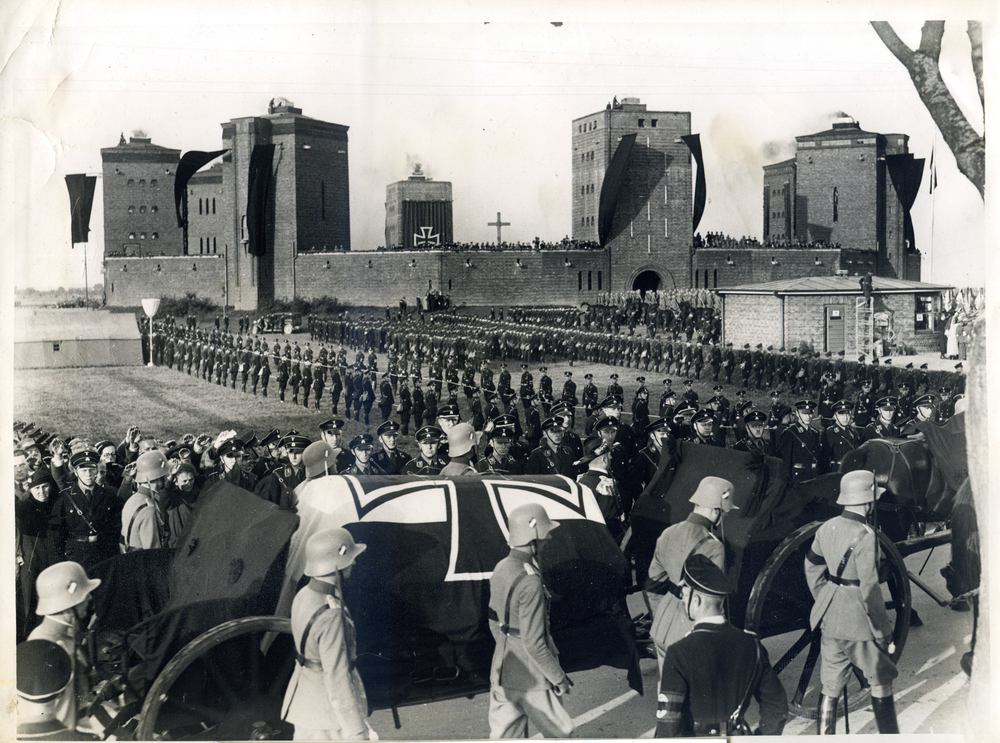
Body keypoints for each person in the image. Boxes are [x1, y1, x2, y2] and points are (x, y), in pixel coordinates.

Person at [804, 470, 899, 734]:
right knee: (881, 679)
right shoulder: (866, 535)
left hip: (830, 618)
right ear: (867, 502)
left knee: (831, 685)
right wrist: (883, 632)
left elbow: (811, 565)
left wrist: (825, 596)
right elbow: (870, 590)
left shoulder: (826, 527)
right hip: (858, 625)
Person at [654, 554, 787, 737]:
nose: (683, 601)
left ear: (696, 600)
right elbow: (777, 705)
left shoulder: (679, 652)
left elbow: (668, 726)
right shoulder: (752, 645)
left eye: (684, 596)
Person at [487, 504, 574, 738]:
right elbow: (534, 643)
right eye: (544, 534)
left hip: (503, 670)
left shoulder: (501, 568)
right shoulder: (530, 581)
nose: (548, 538)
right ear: (532, 537)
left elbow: (494, 621)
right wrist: (558, 678)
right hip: (532, 677)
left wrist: (508, 648)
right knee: (562, 735)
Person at [281, 528, 374, 740]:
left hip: (305, 706)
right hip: (328, 719)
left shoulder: (304, 595)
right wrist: (357, 731)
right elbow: (337, 678)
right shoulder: (331, 615)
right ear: (336, 564)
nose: (354, 563)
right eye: (349, 558)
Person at [645, 477, 735, 672]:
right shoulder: (713, 546)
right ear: (716, 510)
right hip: (691, 634)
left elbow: (652, 586)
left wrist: (659, 615)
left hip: (662, 626)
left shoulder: (667, 533)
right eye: (724, 513)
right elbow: (712, 602)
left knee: (667, 694)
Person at [28, 561, 102, 735]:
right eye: (84, 594)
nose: (89, 598)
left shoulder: (48, 635)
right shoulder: (51, 648)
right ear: (69, 601)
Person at [48, 450, 121, 570]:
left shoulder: (109, 495)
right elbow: (55, 538)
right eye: (83, 470)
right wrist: (59, 567)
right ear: (76, 472)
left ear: (97, 470)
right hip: (74, 557)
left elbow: (115, 530)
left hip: (102, 555)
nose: (88, 474)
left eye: (92, 469)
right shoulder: (65, 498)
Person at [120, 451, 192, 552]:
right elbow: (153, 551)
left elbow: (123, 541)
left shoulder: (132, 500)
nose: (167, 477)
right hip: (144, 563)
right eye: (165, 475)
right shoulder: (149, 509)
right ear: (158, 479)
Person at [777, 400, 821, 482]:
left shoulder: (815, 433)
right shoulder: (790, 433)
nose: (808, 416)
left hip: (814, 475)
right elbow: (785, 461)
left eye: (810, 413)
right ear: (797, 414)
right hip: (798, 478)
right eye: (804, 413)